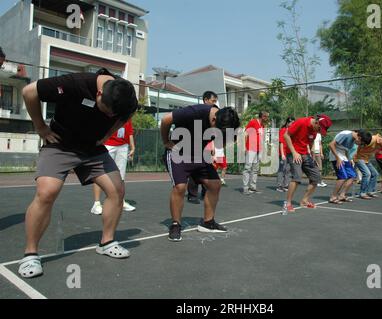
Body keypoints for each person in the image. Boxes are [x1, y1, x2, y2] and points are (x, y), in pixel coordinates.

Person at [18, 68, 138, 278]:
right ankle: (30, 254)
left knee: (117, 190)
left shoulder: (125, 97)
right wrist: (40, 126)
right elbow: (29, 92)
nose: (109, 115)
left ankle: (107, 242)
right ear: (99, 94)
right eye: (106, 111)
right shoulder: (75, 83)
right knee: (47, 192)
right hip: (60, 144)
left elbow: (126, 114)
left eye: (112, 114)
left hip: (93, 149)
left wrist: (108, 134)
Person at [161, 104, 240, 241]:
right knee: (180, 187)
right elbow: (166, 119)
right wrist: (166, 141)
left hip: (198, 155)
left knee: (215, 184)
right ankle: (175, 224)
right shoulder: (195, 112)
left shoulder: (224, 123)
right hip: (177, 152)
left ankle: (208, 223)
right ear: (214, 119)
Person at [284, 114, 333, 211]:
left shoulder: (314, 132)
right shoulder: (301, 122)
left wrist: (311, 156)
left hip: (305, 154)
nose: (319, 131)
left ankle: (304, 201)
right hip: (293, 152)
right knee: (297, 177)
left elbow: (310, 143)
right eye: (319, 128)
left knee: (316, 177)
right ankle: (288, 203)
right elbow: (286, 135)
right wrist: (294, 153)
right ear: (316, 122)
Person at [91, 118, 136, 215]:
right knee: (100, 173)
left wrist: (132, 146)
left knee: (121, 176)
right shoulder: (111, 108)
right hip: (107, 144)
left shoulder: (128, 112)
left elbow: (130, 131)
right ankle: (96, 204)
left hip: (123, 146)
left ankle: (121, 202)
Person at [187, 91, 218, 203]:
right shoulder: (196, 112)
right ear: (205, 100)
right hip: (194, 146)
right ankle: (192, 195)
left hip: (206, 146)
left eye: (215, 101)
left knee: (207, 169)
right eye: (213, 101)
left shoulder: (214, 113)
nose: (214, 103)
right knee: (194, 170)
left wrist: (213, 146)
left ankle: (206, 191)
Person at [328, 130, 372, 204]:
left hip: (343, 156)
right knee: (342, 177)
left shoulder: (353, 140)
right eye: (362, 143)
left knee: (352, 175)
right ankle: (333, 197)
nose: (361, 145)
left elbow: (346, 150)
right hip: (336, 155)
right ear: (359, 138)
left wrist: (349, 160)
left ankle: (342, 195)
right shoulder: (346, 135)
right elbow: (331, 145)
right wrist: (338, 158)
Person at [242, 111, 269, 195]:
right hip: (251, 148)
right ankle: (245, 188)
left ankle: (253, 187)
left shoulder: (262, 125)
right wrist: (244, 147)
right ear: (263, 116)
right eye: (266, 117)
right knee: (247, 168)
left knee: (255, 169)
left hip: (258, 149)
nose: (267, 118)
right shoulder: (253, 122)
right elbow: (245, 134)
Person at [353, 133, 382, 199]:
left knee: (375, 174)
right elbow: (358, 143)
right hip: (359, 158)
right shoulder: (374, 139)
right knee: (367, 174)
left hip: (366, 159)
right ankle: (362, 193)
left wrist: (378, 151)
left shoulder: (379, 143)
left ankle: (370, 191)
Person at [276, 116, 295, 192]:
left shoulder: (292, 131)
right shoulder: (283, 130)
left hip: (289, 153)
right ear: (288, 122)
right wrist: (282, 154)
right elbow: (281, 143)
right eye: (292, 123)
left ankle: (286, 184)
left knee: (288, 169)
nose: (293, 124)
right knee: (282, 169)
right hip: (283, 152)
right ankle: (279, 185)